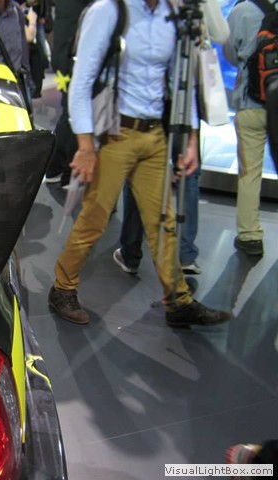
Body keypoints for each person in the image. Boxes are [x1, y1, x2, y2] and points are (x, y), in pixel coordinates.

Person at [48, 0, 231, 328]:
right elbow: (81, 82)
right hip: (115, 134)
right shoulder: (109, 11)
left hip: (154, 135)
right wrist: (86, 145)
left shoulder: (171, 15)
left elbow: (180, 81)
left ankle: (177, 300)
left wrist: (190, 138)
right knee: (94, 218)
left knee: (164, 221)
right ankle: (62, 288)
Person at [112, 0, 230, 276]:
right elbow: (222, 34)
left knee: (138, 172)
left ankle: (131, 252)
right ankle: (185, 254)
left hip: (148, 94)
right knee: (188, 174)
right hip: (184, 95)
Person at [223, 0, 274, 257]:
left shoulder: (241, 10)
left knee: (249, 173)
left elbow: (230, 54)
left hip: (250, 102)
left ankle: (250, 236)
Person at [43, 0, 90, 187]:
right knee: (71, 117)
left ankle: (60, 169)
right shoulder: (76, 6)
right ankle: (62, 170)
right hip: (72, 67)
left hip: (70, 65)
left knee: (70, 116)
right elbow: (68, 36)